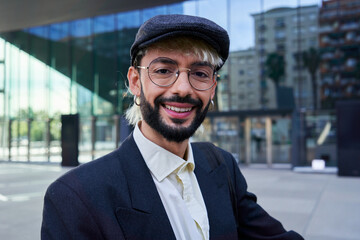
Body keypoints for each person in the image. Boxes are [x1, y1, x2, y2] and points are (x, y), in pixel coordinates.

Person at [41, 14, 304, 240]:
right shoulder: (74, 197)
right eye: (164, 70)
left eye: (200, 73)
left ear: (213, 88)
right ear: (135, 81)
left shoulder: (222, 166)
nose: (183, 88)